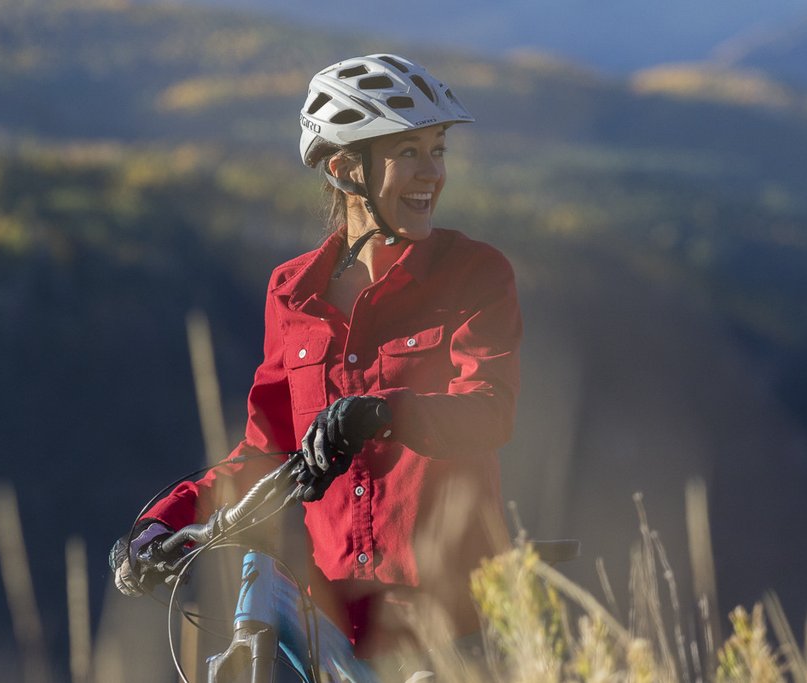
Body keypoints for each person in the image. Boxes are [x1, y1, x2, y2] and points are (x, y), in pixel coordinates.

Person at [111, 53, 522, 669]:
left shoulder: (474, 274)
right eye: (408, 152)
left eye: (437, 150)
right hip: (329, 630)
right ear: (344, 168)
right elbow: (263, 453)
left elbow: (489, 410)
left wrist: (386, 413)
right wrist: (163, 523)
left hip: (447, 627)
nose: (432, 173)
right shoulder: (292, 293)